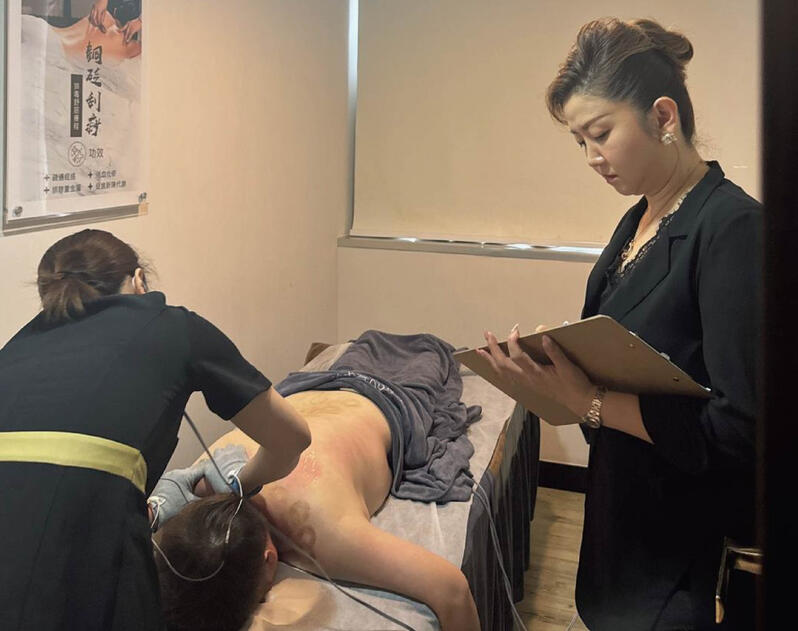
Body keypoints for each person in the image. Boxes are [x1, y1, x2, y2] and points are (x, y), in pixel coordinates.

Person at [479, 18, 759, 631]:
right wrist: (554, 380)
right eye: (579, 141)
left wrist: (593, 401)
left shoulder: (734, 229)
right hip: (621, 516)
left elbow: (742, 430)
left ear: (663, 116)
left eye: (601, 134)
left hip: (682, 547)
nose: (591, 158)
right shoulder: (638, 220)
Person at [0, 229, 311, 631]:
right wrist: (238, 483)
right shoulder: (175, 327)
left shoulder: (14, 349)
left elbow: (44, 481)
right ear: (139, 280)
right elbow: (292, 439)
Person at [152, 331, 482, 631]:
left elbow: (453, 591)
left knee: (388, 344)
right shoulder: (202, 487)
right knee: (425, 351)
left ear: (270, 558)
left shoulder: (325, 535)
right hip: (338, 396)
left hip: (337, 391)